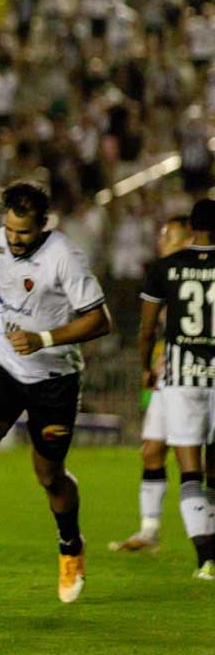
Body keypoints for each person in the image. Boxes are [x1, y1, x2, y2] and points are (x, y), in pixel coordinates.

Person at [0, 182, 112, 603]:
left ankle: (70, 547)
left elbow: (99, 320)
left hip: (53, 378)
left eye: (24, 233)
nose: (15, 240)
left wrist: (45, 338)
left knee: (49, 475)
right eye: (10, 230)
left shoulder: (64, 257)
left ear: (44, 226)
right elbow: (2, 289)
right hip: (3, 365)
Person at [138, 200, 215, 580]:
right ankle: (150, 529)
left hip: (182, 377)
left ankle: (205, 558)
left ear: (191, 230)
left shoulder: (165, 269)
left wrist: (144, 367)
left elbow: (147, 327)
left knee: (190, 472)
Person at [110, 215, 191, 553]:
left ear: (188, 239)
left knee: (198, 460)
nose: (161, 240)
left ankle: (206, 541)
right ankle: (150, 530)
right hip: (166, 374)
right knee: (152, 449)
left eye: (168, 235)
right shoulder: (164, 274)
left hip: (197, 376)